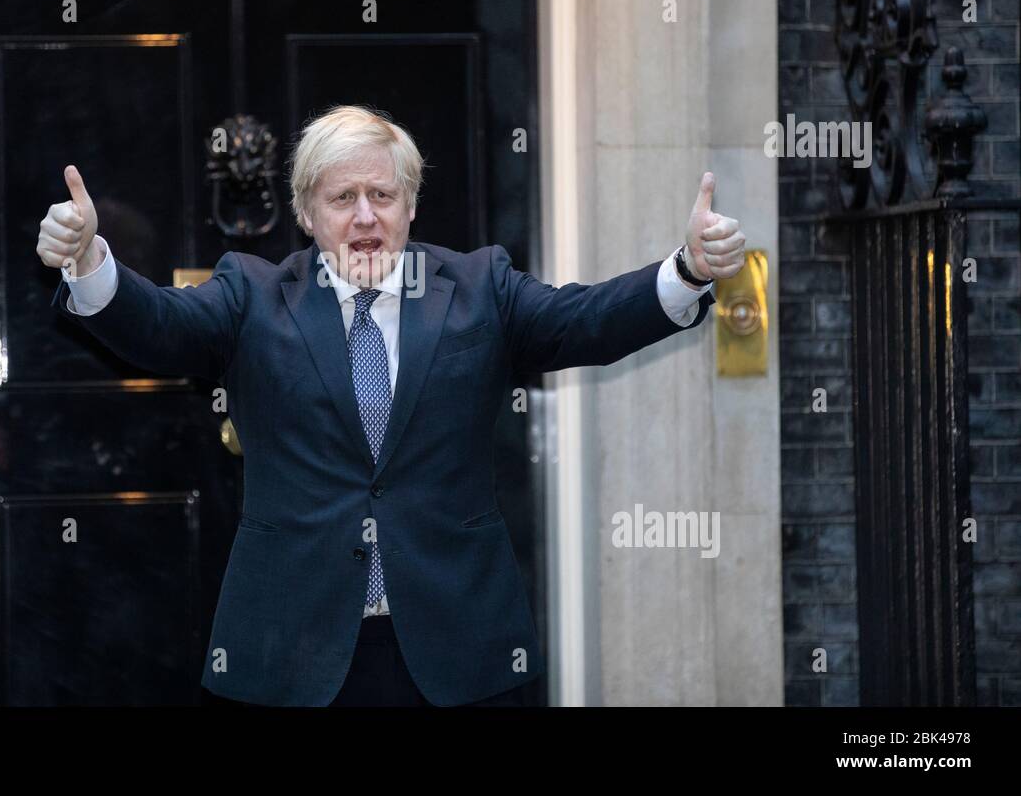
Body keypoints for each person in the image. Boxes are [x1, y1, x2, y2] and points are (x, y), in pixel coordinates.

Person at [36, 105, 746, 706]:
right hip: (292, 649)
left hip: (457, 645)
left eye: (383, 195)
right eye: (342, 199)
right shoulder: (250, 294)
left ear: (411, 204)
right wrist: (91, 263)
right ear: (307, 214)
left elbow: (586, 320)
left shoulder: (480, 287)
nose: (366, 218)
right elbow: (161, 327)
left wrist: (685, 269)